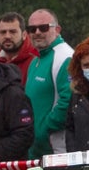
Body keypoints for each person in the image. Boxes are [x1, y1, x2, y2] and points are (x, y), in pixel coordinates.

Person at [24, 8, 74, 158]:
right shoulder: (35, 61)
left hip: (56, 150)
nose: (37, 32)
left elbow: (68, 102)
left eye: (44, 27)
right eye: (32, 29)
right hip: (35, 149)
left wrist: (43, 130)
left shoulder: (65, 57)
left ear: (57, 30)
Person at [0, 12, 38, 85]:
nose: (7, 36)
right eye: (3, 32)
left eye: (13, 32)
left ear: (24, 35)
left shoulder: (36, 61)